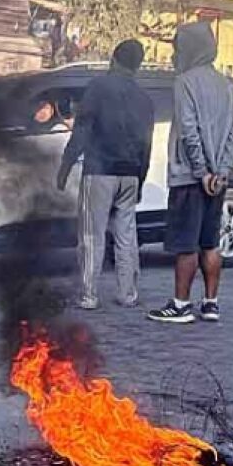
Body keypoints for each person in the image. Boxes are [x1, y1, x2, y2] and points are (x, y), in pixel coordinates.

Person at [148, 22, 233, 324]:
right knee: (210, 242)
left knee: (186, 244)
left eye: (178, 48)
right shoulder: (227, 86)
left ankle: (181, 305)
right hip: (217, 181)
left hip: (190, 177)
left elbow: (189, 131)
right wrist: (221, 172)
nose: (175, 54)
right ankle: (211, 304)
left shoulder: (184, 82)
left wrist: (202, 172)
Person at [56, 39, 154, 310]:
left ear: (113, 59)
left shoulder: (98, 88)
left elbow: (82, 130)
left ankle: (89, 295)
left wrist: (65, 166)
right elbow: (147, 145)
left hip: (100, 171)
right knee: (126, 236)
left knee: (92, 235)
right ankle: (128, 294)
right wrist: (140, 179)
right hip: (131, 174)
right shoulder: (144, 99)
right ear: (137, 66)